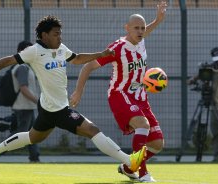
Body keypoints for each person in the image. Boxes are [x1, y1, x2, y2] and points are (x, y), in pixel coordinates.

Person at [0, 15, 146, 172]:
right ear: (44, 35)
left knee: (32, 137)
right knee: (92, 130)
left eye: (60, 33)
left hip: (50, 107)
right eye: (56, 34)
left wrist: (100, 54)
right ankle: (129, 160)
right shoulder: (34, 51)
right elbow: (9, 60)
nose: (59, 37)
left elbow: (77, 58)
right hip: (57, 109)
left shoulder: (61, 48)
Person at [70, 1, 167, 182]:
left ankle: (129, 167)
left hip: (140, 97)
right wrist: (78, 92)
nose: (140, 31)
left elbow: (147, 31)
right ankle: (143, 174)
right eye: (136, 28)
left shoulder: (142, 39)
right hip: (120, 95)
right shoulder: (117, 49)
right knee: (143, 125)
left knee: (157, 143)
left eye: (142, 28)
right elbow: (88, 67)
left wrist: (158, 20)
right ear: (127, 28)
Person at [188, 47, 218, 162]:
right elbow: (200, 75)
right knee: (216, 132)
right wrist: (193, 79)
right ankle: (217, 156)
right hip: (215, 105)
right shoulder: (211, 66)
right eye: (216, 59)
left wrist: (217, 71)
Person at [11, 40, 40, 162]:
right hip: (23, 107)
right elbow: (23, 89)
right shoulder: (22, 67)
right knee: (20, 134)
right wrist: (37, 101)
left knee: (31, 134)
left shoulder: (25, 67)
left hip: (27, 106)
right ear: (21, 52)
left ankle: (34, 157)